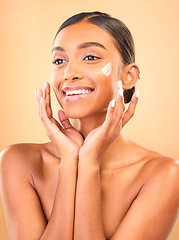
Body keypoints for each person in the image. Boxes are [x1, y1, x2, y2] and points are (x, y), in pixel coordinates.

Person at [0, 11, 178, 240]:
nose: (69, 73)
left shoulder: (164, 175)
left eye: (91, 57)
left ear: (129, 76)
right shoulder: (18, 161)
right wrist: (69, 164)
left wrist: (88, 164)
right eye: (59, 61)